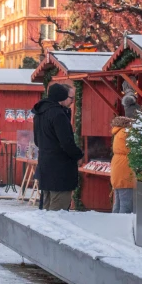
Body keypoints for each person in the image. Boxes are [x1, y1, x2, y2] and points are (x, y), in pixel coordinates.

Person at [32, 83, 84, 211]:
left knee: (46, 208)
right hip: (60, 170)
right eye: (71, 98)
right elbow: (66, 142)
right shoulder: (58, 115)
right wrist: (78, 155)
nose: (72, 102)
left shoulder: (39, 113)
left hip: (45, 166)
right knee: (58, 211)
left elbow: (37, 141)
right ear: (62, 97)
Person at [110, 111, 137, 214]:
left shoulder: (118, 133)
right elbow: (133, 148)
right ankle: (121, 226)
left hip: (117, 167)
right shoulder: (126, 133)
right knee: (126, 204)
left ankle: (114, 224)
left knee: (118, 202)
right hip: (125, 168)